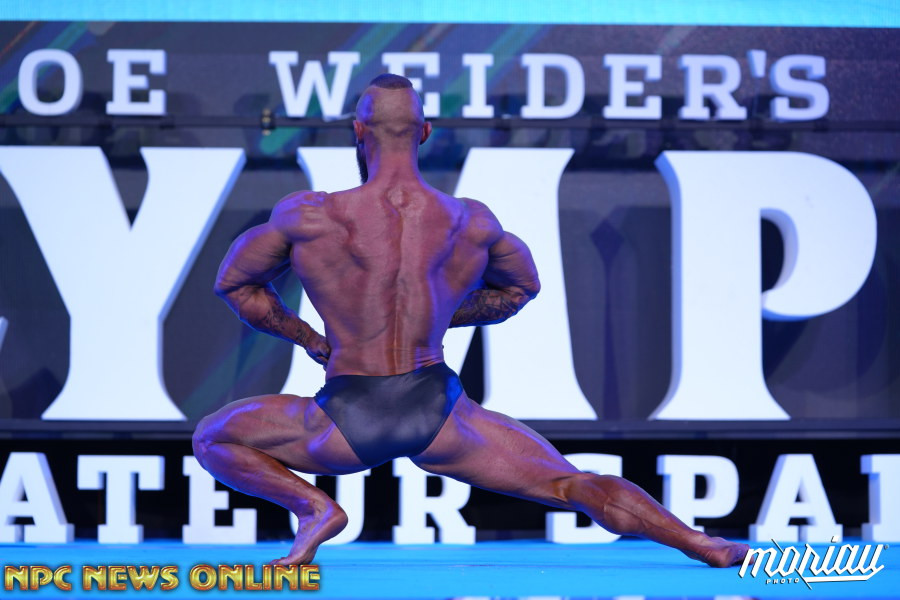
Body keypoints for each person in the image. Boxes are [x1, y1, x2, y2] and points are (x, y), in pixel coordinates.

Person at [193, 73, 750, 568]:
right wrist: (437, 318)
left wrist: (310, 339)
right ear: (425, 132)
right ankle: (703, 543)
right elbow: (521, 288)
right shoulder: (469, 221)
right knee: (571, 483)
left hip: (342, 417)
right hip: (440, 412)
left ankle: (314, 508)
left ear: (358, 132)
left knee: (214, 437)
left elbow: (235, 284)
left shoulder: (309, 215)